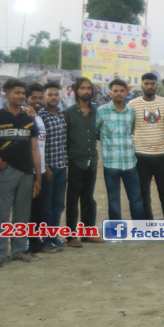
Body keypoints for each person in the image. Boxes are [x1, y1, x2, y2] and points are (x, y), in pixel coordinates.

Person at [0, 79, 41, 271]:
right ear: (7, 94)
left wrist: (38, 176)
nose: (21, 96)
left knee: (22, 213)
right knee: (1, 214)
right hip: (6, 170)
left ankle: (19, 251)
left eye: (22, 93)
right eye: (17, 93)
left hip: (26, 171)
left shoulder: (28, 117)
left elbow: (34, 148)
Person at [97, 78, 145, 221]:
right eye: (115, 91)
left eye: (122, 91)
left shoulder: (131, 111)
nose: (118, 93)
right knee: (113, 199)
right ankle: (115, 229)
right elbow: (95, 132)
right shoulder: (101, 111)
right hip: (111, 164)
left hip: (130, 163)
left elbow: (133, 130)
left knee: (136, 198)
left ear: (126, 93)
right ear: (110, 93)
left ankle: (139, 228)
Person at [129, 72, 164, 219]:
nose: (149, 86)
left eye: (152, 83)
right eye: (146, 83)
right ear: (142, 85)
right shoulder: (133, 104)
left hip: (161, 154)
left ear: (157, 85)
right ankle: (147, 224)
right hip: (141, 155)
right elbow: (131, 126)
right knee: (143, 193)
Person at [64, 77, 100, 245]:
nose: (86, 91)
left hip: (91, 161)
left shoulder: (96, 112)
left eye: (89, 88)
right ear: (76, 91)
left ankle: (87, 233)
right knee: (72, 199)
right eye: (83, 88)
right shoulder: (68, 113)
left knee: (88, 198)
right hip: (75, 161)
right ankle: (71, 236)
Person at [35, 81, 69, 251]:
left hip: (62, 166)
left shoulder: (61, 114)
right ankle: (45, 239)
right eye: (50, 95)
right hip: (48, 168)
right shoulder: (40, 116)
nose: (54, 97)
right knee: (46, 205)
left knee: (58, 204)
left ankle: (53, 235)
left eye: (56, 94)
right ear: (44, 97)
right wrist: (44, 165)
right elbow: (38, 144)